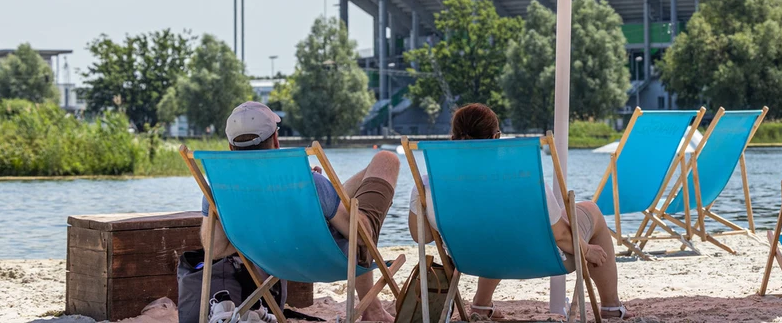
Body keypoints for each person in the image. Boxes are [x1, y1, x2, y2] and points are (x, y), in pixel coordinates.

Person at [408, 103, 630, 320]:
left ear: (453, 139)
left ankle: (482, 304)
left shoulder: (428, 186)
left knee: (488, 228)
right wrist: (587, 250)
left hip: (470, 260)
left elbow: (422, 236)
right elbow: (561, 236)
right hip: (541, 260)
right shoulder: (524, 179)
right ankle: (611, 307)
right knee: (590, 209)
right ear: (496, 138)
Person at [200, 102, 400, 322]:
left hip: (273, 263)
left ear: (230, 147)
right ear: (276, 140)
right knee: (385, 160)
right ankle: (371, 309)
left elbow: (215, 248)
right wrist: (313, 186)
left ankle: (372, 309)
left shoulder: (218, 190)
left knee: (326, 197)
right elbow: (361, 237)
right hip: (328, 260)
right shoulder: (308, 181)